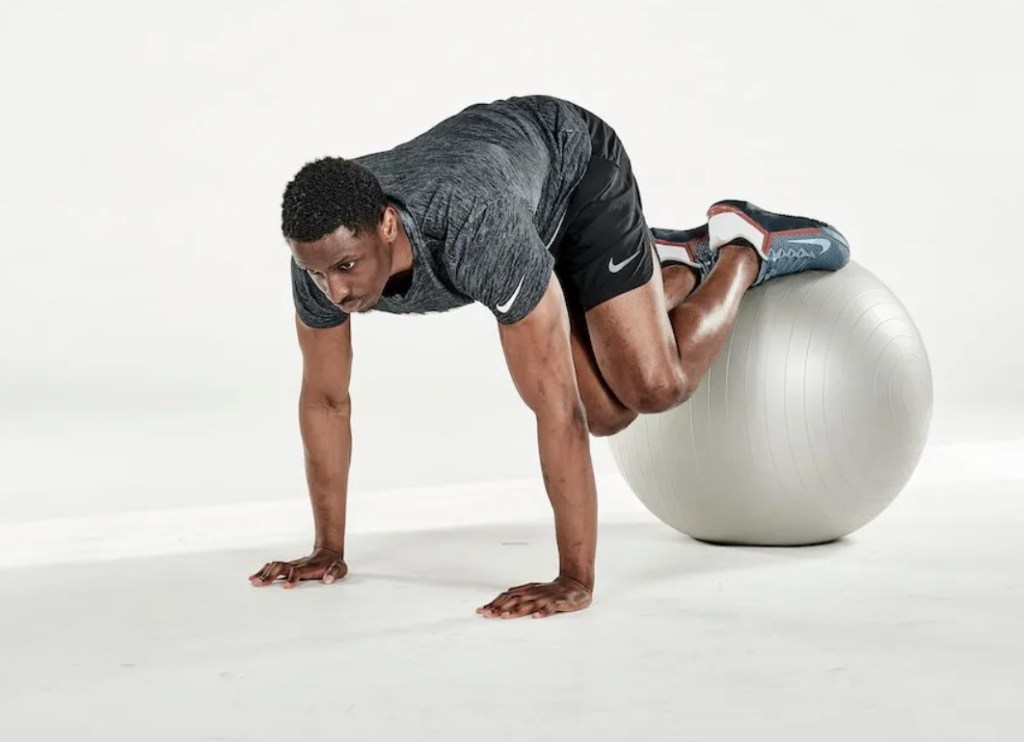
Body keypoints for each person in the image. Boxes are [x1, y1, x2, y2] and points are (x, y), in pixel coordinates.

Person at [248, 95, 850, 619]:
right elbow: (327, 401)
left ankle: (744, 245)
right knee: (608, 414)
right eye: (317, 272)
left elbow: (552, 408)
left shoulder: (471, 229)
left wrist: (574, 579)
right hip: (516, 201)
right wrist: (329, 549)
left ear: (385, 225)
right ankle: (671, 265)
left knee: (655, 387)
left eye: (347, 268)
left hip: (574, 170)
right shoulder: (322, 258)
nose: (336, 292)